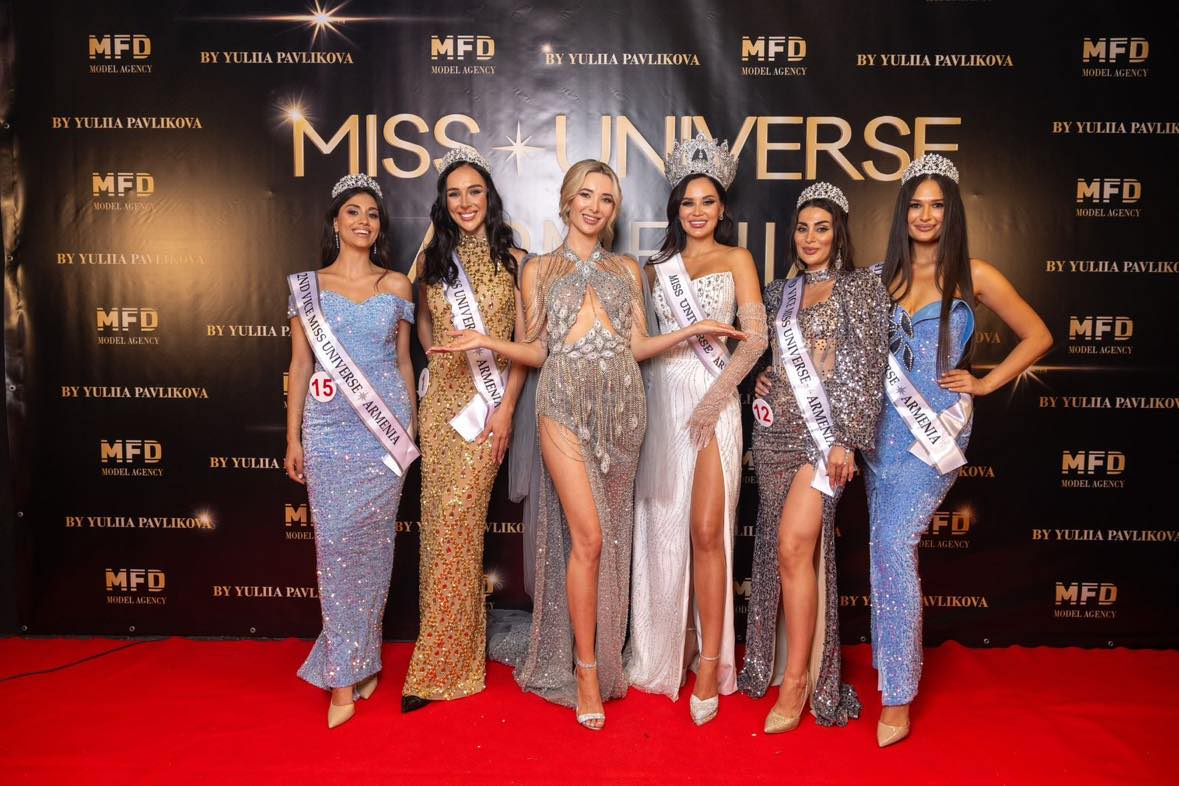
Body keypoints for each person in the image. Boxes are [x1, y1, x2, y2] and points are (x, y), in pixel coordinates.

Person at [434, 159, 744, 730]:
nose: (594, 207)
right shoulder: (537, 268)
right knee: (590, 539)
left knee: (614, 543)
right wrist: (489, 342)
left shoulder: (626, 268)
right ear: (567, 200)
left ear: (613, 210)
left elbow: (639, 346)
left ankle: (606, 654)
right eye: (585, 195)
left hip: (623, 414)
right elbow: (537, 350)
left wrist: (691, 331)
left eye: (605, 198)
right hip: (562, 408)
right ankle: (585, 671)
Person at [862, 154, 1051, 747]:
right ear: (903, 212)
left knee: (894, 545)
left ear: (952, 213)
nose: (925, 215)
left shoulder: (976, 274)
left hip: (933, 433)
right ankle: (889, 665)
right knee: (881, 548)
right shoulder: (879, 278)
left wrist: (986, 383)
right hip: (878, 432)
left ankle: (898, 695)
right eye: (916, 205)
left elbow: (1039, 335)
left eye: (937, 205)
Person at [626, 134, 767, 726]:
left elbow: (755, 339)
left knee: (708, 532)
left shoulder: (738, 260)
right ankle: (667, 647)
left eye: (708, 201)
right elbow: (638, 345)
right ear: (675, 208)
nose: (698, 211)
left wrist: (714, 401)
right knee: (664, 532)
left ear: (722, 207)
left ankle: (710, 663)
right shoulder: (654, 270)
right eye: (688, 202)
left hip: (715, 401)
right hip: (663, 400)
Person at [743, 182, 888, 733]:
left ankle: (798, 680)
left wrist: (845, 437)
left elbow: (867, 367)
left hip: (824, 440)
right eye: (802, 228)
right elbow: (771, 357)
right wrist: (760, 378)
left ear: (838, 234)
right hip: (774, 434)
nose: (810, 238)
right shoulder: (778, 293)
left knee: (793, 546)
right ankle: (782, 662)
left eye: (821, 228)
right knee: (784, 553)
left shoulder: (859, 289)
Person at [284, 173, 418, 728]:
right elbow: (300, 365)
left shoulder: (397, 286)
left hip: (384, 434)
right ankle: (342, 675)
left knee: (374, 554)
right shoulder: (307, 287)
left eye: (373, 213)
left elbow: (405, 362)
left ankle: (362, 659)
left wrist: (409, 432)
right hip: (330, 429)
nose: (364, 221)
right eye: (353, 212)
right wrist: (292, 436)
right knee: (335, 551)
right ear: (336, 222)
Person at [401, 146, 528, 713]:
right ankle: (449, 656)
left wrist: (505, 409)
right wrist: (434, 369)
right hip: (441, 409)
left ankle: (444, 665)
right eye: (454, 194)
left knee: (459, 524)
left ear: (489, 197)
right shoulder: (431, 260)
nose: (465, 202)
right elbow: (424, 327)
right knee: (439, 531)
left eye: (474, 191)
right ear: (443, 202)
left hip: (486, 408)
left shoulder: (516, 261)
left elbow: (527, 346)